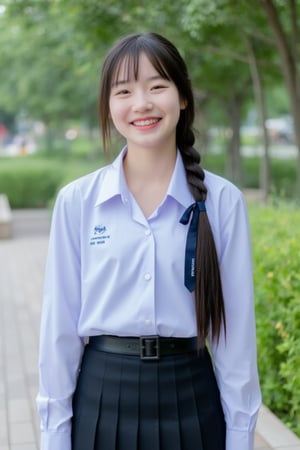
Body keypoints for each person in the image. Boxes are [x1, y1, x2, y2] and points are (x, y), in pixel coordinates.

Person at [36, 32, 261, 450]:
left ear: (183, 97)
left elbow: (235, 335)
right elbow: (59, 329)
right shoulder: (78, 202)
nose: (141, 103)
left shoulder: (222, 201)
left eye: (157, 86)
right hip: (102, 400)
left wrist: (240, 435)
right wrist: (54, 436)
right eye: (124, 91)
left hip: (192, 399)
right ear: (109, 105)